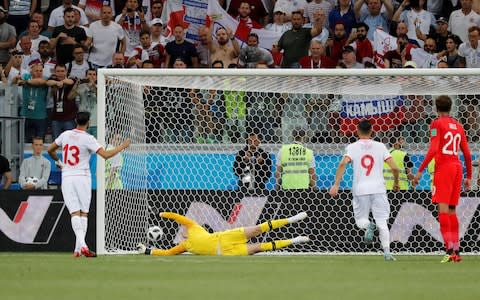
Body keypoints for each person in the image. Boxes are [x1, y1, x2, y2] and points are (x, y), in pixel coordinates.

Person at [47, 111, 130, 257]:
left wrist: (60, 162)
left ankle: (78, 249)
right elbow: (105, 155)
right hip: (82, 177)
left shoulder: (65, 135)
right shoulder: (88, 138)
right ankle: (83, 245)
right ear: (89, 123)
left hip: (67, 176)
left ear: (75, 120)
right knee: (83, 213)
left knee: (74, 212)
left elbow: (50, 149)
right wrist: (122, 146)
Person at [412, 95, 472, 263]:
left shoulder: (436, 124)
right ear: (451, 107)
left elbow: (433, 150)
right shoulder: (459, 126)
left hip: (444, 168)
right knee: (452, 210)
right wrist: (469, 177)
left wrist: (420, 171)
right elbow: (467, 153)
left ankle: (448, 250)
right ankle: (457, 251)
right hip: (457, 168)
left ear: (436, 108)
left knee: (443, 210)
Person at [329, 120, 400, 261]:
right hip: (379, 189)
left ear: (357, 131)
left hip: (360, 189)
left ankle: (369, 225)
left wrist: (336, 184)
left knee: (361, 221)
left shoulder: (353, 147)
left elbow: (343, 163)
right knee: (383, 222)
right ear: (372, 130)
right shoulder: (381, 146)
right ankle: (387, 252)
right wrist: (396, 182)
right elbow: (394, 167)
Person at [136, 211, 310, 256]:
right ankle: (295, 240)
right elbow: (167, 252)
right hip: (226, 252)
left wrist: (162, 215)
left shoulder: (194, 227)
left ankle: (291, 219)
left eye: (183, 229)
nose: (182, 231)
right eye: (181, 232)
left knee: (257, 229)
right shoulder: (184, 246)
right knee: (259, 248)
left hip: (226, 236)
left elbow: (179, 218)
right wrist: (148, 251)